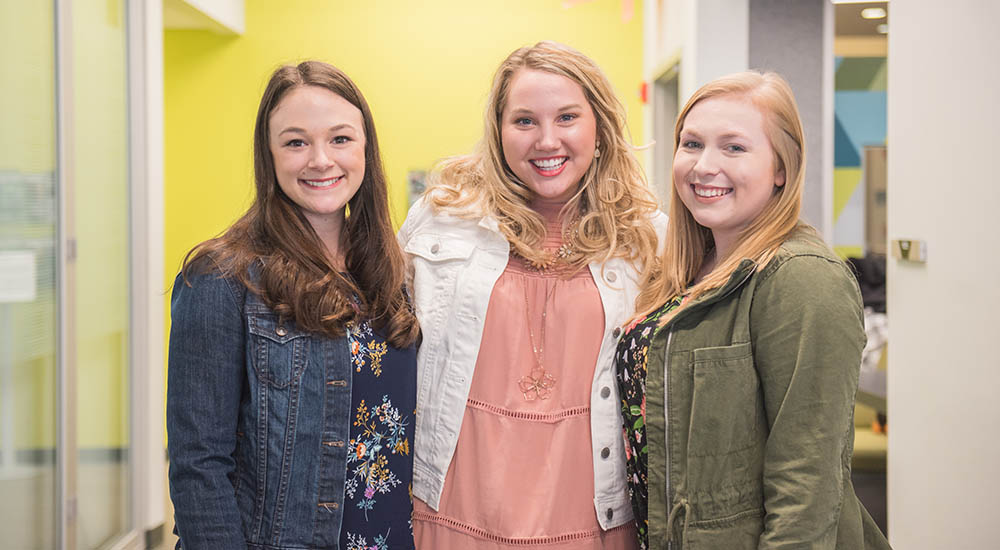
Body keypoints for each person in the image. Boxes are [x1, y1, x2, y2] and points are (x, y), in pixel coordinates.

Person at [398, 41, 666, 550]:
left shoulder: (649, 238)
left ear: (598, 125)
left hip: (593, 518)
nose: (547, 140)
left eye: (567, 117)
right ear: (498, 131)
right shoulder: (441, 218)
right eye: (524, 121)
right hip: (452, 512)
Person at [615, 71, 892, 549]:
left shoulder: (802, 278)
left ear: (781, 168)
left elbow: (807, 486)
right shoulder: (686, 269)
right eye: (692, 144)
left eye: (734, 148)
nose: (704, 166)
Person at [167, 61, 419, 550]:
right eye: (296, 142)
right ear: (270, 155)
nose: (320, 160)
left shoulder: (389, 269)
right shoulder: (222, 277)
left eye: (341, 139)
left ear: (366, 148)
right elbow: (198, 467)